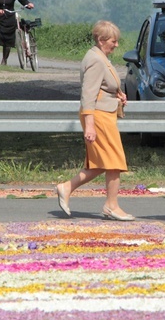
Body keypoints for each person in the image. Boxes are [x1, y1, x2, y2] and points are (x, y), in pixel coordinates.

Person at [55, 20, 133, 221]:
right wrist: (89, 125)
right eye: (113, 41)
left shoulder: (99, 56)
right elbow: (88, 94)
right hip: (97, 116)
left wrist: (118, 95)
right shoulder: (96, 60)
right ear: (101, 40)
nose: (116, 45)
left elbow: (103, 87)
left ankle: (66, 187)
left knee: (101, 163)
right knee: (115, 161)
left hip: (103, 113)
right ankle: (111, 206)